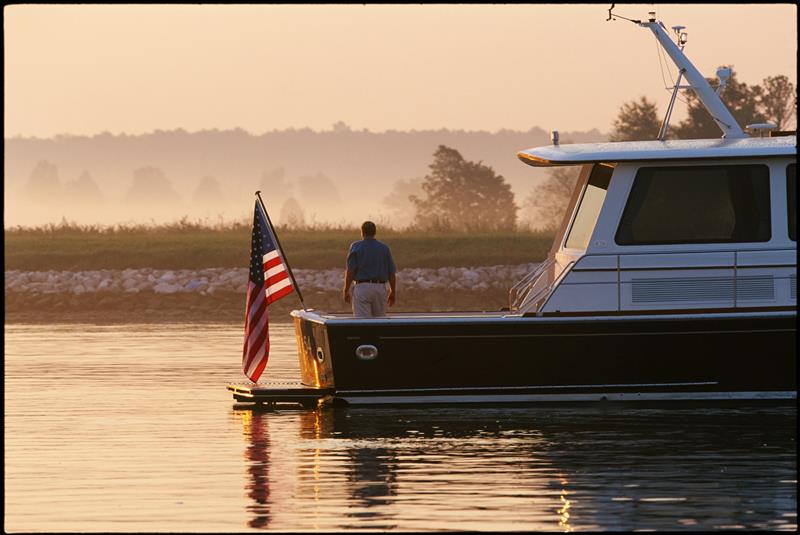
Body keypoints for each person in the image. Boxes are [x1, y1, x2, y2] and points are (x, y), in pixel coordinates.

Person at [342, 221, 397, 317]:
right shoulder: (384, 248)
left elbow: (351, 271)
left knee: (362, 323)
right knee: (380, 322)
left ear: (362, 232)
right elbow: (391, 273)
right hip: (380, 288)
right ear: (375, 232)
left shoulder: (356, 247)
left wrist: (346, 290)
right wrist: (393, 291)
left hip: (362, 287)